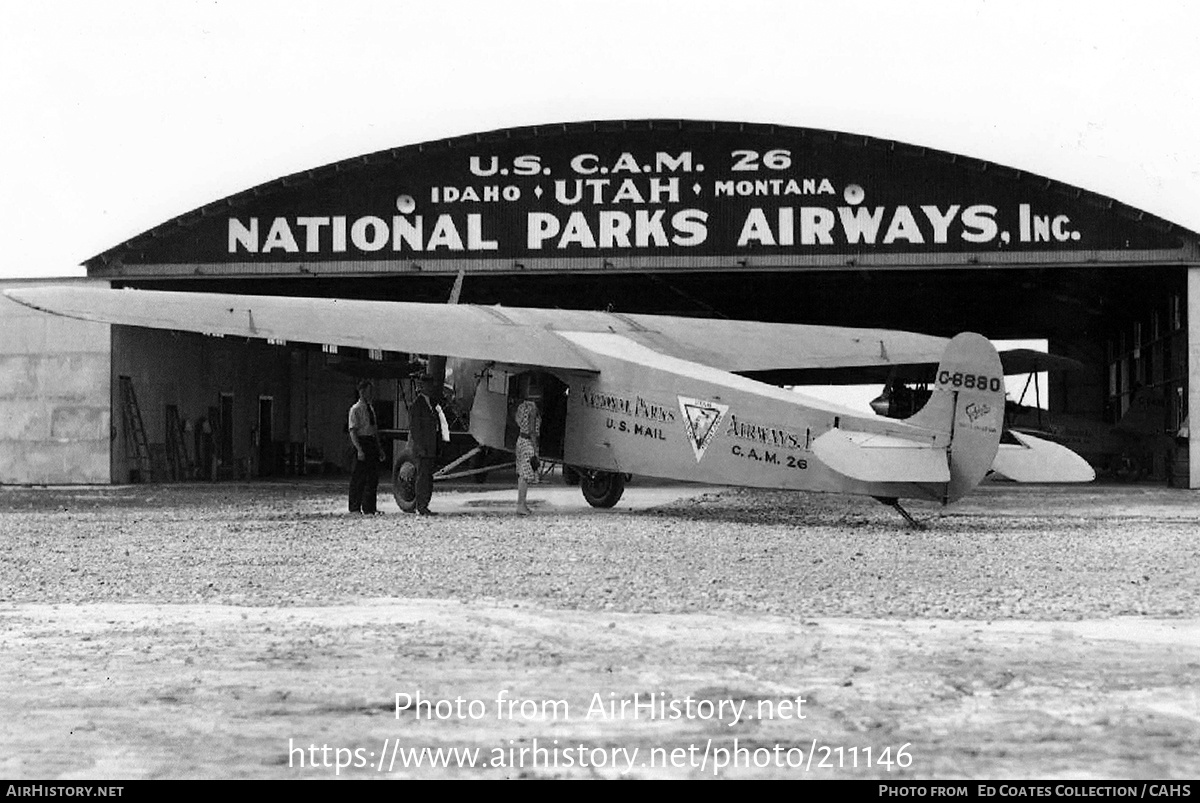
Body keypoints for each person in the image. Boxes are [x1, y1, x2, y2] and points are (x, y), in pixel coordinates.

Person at [347, 380, 385, 514]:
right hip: (361, 441)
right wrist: (359, 449)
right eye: (369, 391)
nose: (371, 394)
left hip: (371, 441)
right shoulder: (355, 409)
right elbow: (353, 431)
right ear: (362, 391)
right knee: (359, 477)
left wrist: (379, 447)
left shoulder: (370, 408)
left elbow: (374, 429)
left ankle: (369, 507)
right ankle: (354, 506)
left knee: (372, 476)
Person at [408, 374, 441, 516]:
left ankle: (425, 504)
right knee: (422, 476)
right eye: (428, 385)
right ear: (423, 386)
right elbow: (415, 428)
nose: (431, 387)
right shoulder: (417, 405)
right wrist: (420, 446)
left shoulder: (431, 404)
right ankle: (421, 505)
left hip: (431, 447)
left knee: (428, 477)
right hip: (423, 448)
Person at [514, 382, 542, 515]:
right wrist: (535, 447)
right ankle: (521, 504)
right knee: (526, 475)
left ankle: (522, 504)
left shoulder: (522, 406)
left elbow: (517, 420)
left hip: (520, 440)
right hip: (528, 442)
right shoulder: (533, 408)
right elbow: (532, 430)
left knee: (522, 474)